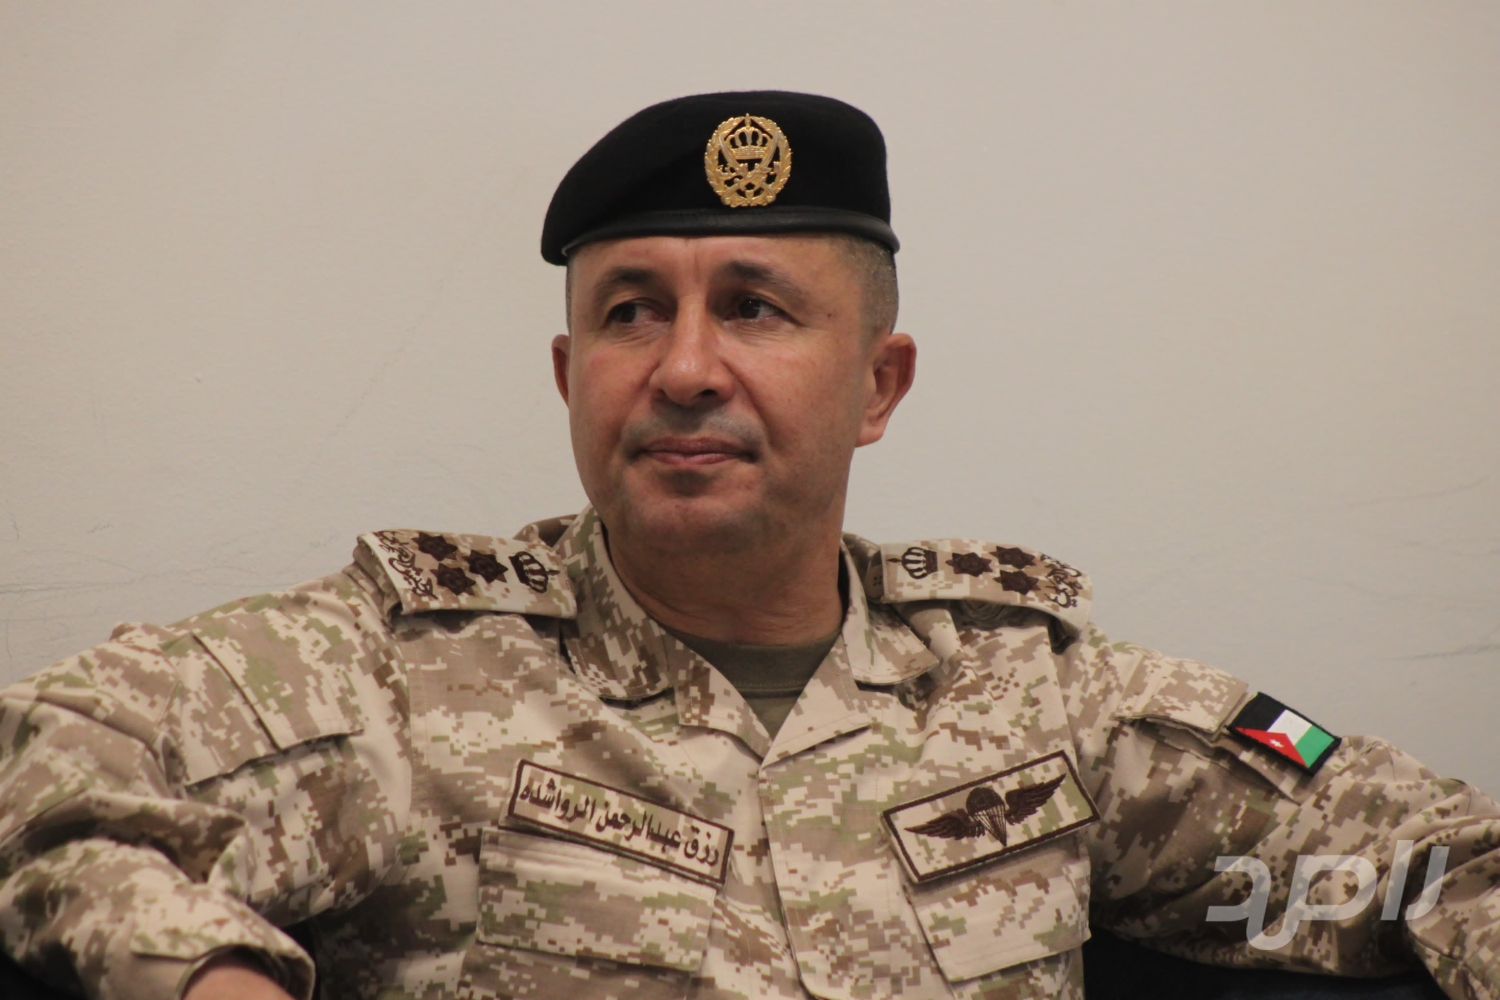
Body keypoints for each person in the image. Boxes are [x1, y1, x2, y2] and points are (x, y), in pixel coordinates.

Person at [0, 90, 1495, 1000]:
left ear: (879, 386)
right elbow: (48, 763)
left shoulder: (1041, 702)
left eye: (756, 310)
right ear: (570, 375)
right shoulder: (398, 678)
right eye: (631, 311)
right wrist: (210, 970)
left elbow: (1435, 858)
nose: (685, 367)